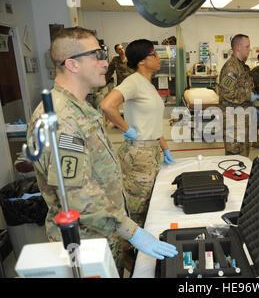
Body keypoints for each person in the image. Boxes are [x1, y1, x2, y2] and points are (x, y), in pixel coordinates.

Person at [27, 27, 177, 275]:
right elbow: (77, 197)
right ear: (72, 65)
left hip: (105, 235)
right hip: (87, 244)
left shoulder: (79, 108)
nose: (105, 61)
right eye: (97, 55)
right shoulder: (61, 120)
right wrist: (134, 232)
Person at [101, 39, 176, 228]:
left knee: (148, 205)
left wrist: (165, 149)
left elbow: (153, 123)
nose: (159, 58)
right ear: (142, 61)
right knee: (137, 210)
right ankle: (129, 254)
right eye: (154, 54)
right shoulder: (133, 81)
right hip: (138, 154)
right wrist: (127, 129)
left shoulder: (148, 85)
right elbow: (108, 106)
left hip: (151, 152)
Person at [216, 34, 259, 157]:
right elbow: (227, 93)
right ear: (237, 47)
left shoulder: (242, 67)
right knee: (234, 157)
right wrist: (248, 96)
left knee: (243, 155)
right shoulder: (231, 67)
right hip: (233, 122)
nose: (249, 49)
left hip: (242, 118)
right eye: (247, 46)